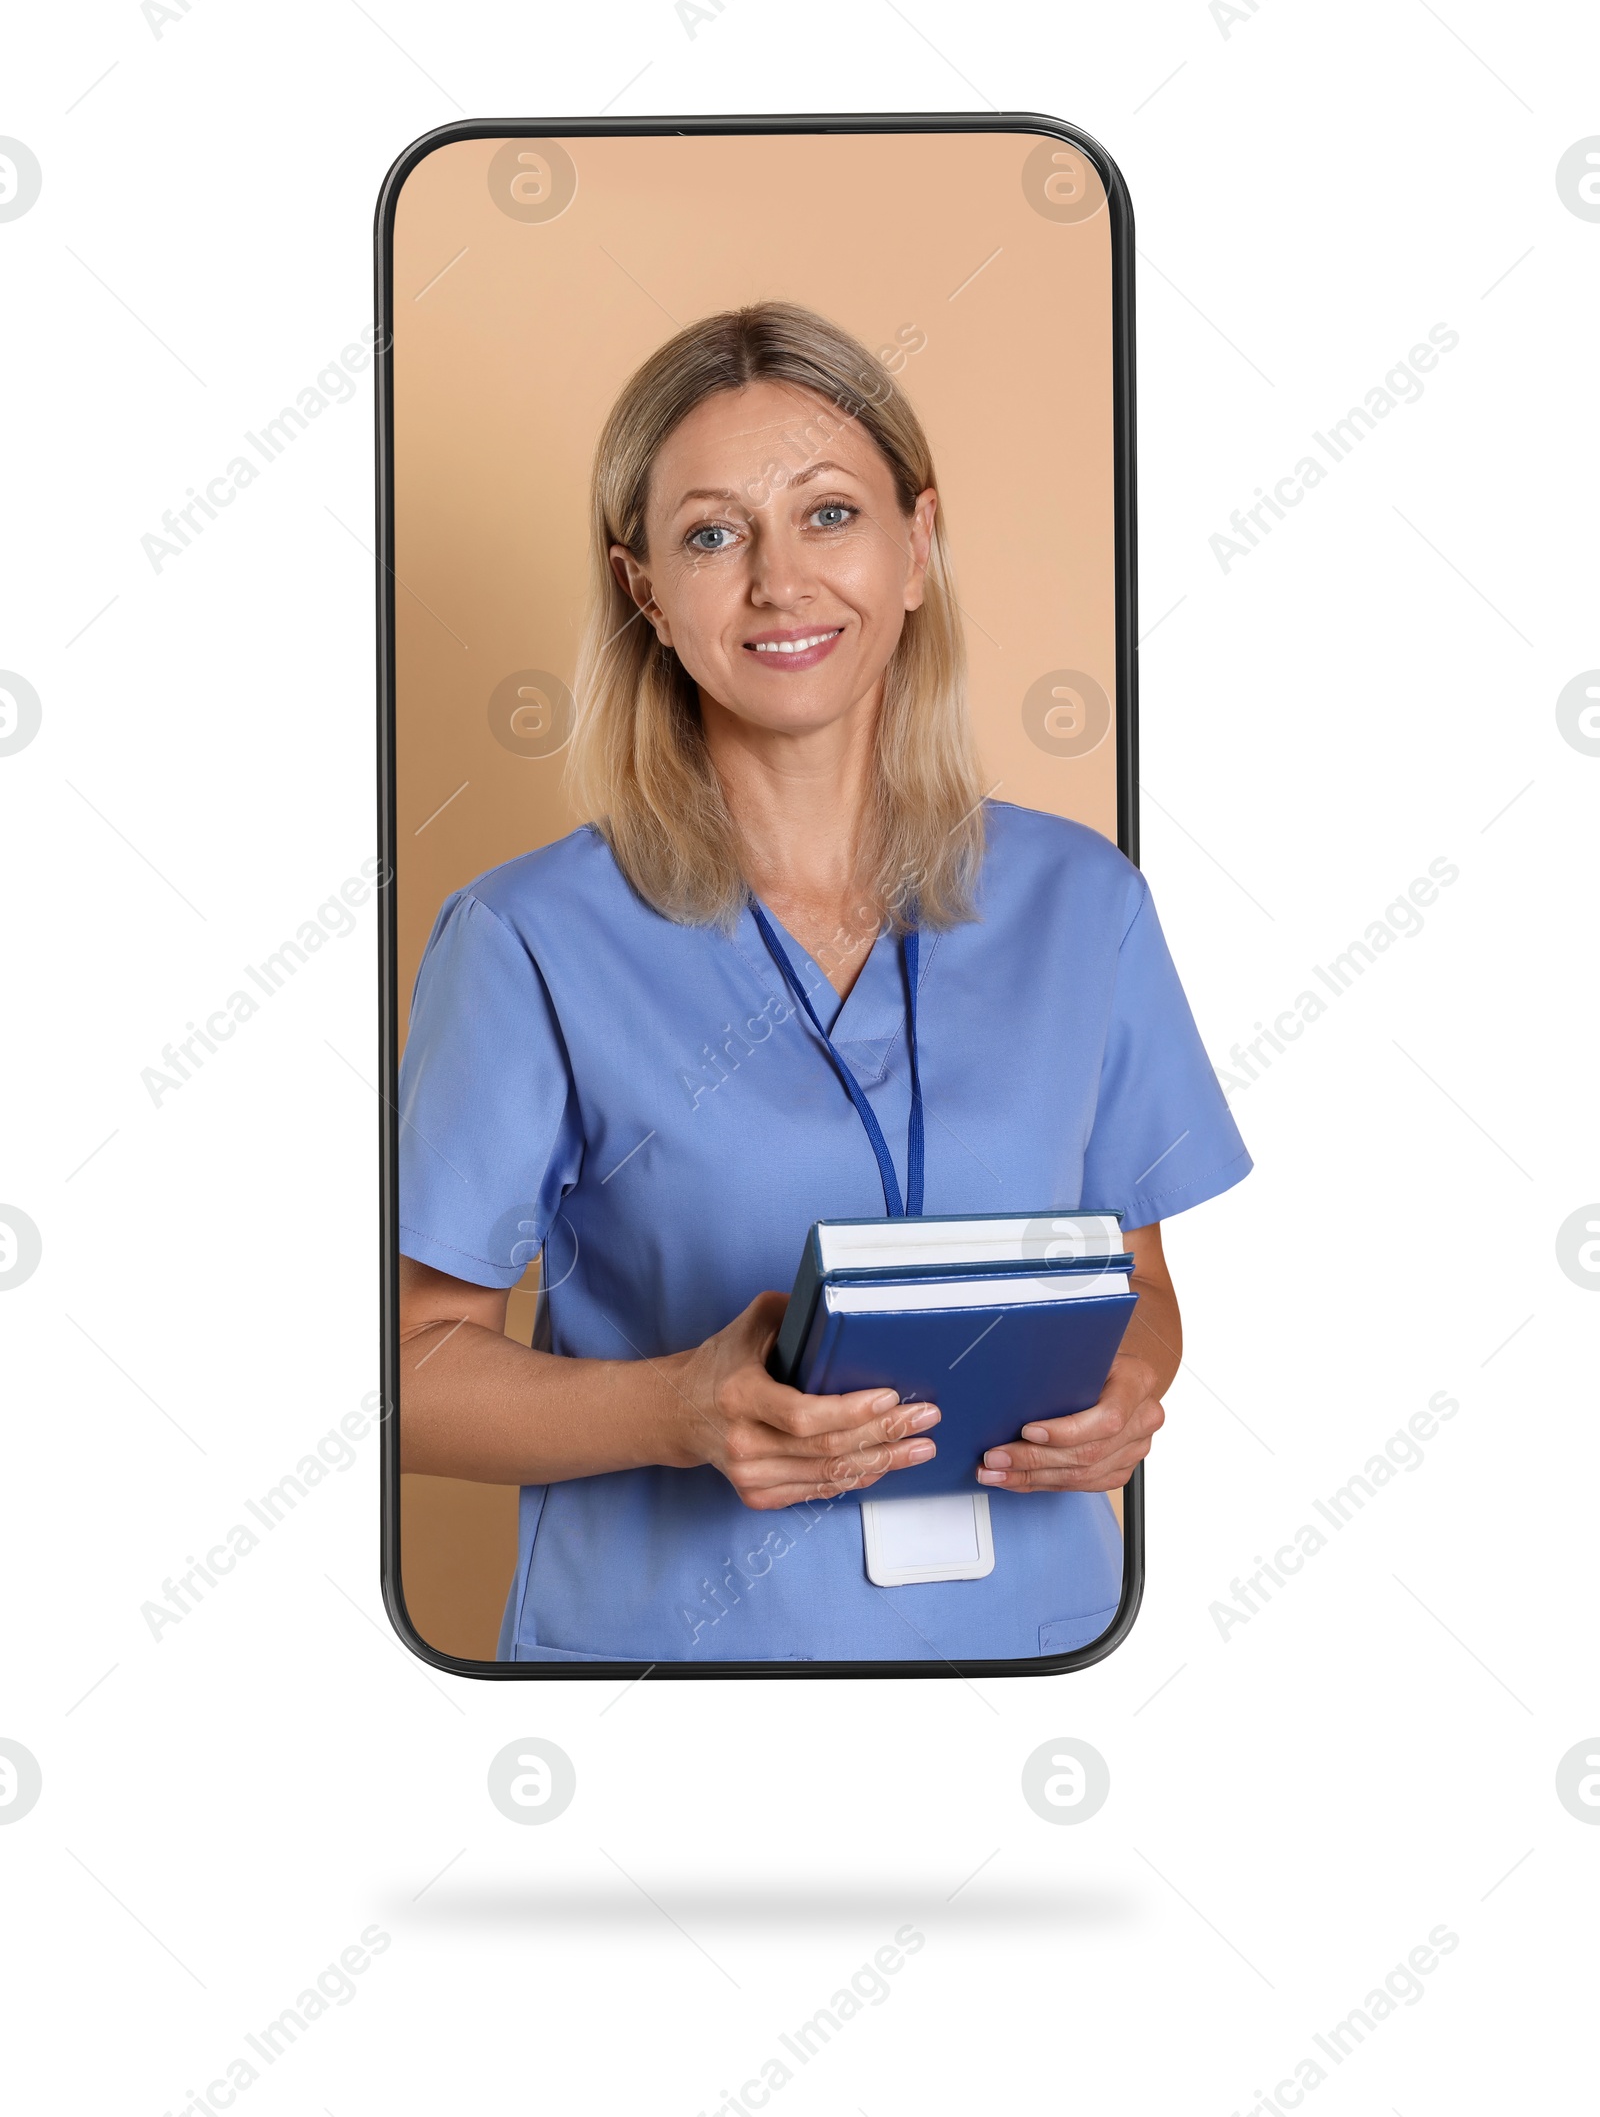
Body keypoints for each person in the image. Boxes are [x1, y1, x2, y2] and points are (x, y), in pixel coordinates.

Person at [396, 301, 1250, 1663]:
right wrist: (677, 1410)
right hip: (670, 1684)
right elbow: (402, 1380)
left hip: (1031, 1662)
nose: (780, 581)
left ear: (919, 547)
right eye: (714, 533)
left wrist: (1134, 1385)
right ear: (645, 591)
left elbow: (1137, 1281)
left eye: (831, 515)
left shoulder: (1083, 905)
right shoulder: (526, 938)